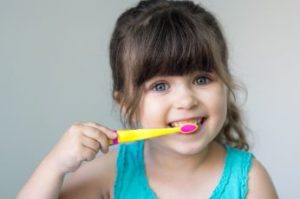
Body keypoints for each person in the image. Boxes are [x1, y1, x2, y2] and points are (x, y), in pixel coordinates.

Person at [18, 0, 278, 198]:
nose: (186, 100)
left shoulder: (250, 180)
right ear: (125, 104)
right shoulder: (109, 174)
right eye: (160, 86)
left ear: (225, 84)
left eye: (201, 79)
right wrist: (54, 165)